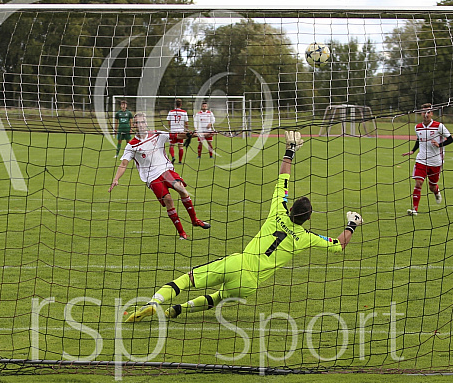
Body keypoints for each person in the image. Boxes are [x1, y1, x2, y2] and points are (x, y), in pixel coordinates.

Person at [125, 131, 363, 322]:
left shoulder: (277, 211)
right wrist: (352, 224)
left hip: (238, 263)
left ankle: (154, 303)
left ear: (290, 209)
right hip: (250, 284)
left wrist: (289, 152)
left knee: (188, 279)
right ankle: (174, 312)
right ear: (308, 220)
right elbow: (338, 245)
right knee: (217, 298)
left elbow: (283, 180)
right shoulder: (306, 238)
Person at [109, 112, 210, 240]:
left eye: (142, 122)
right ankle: (182, 233)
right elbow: (123, 163)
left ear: (146, 123)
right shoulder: (132, 145)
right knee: (168, 200)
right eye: (137, 122)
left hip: (166, 170)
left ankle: (195, 220)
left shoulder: (157, 134)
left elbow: (178, 135)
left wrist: (197, 134)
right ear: (133, 125)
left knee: (182, 190)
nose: (140, 124)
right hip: (152, 178)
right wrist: (116, 179)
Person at [401, 103, 453, 216]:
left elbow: (450, 139)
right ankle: (415, 209)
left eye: (428, 112)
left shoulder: (439, 126)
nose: (426, 114)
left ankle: (436, 191)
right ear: (421, 113)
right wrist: (413, 151)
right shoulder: (417, 127)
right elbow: (419, 139)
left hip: (436, 161)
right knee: (419, 183)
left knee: (432, 186)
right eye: (424, 112)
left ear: (432, 113)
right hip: (421, 160)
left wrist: (439, 144)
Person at [166, 98, 189, 164]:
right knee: (180, 146)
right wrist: (186, 130)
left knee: (171, 145)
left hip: (173, 131)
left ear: (174, 104)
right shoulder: (184, 112)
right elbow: (186, 123)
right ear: (181, 104)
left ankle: (173, 157)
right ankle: (180, 161)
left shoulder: (171, 112)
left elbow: (169, 121)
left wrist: (171, 127)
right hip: (180, 131)